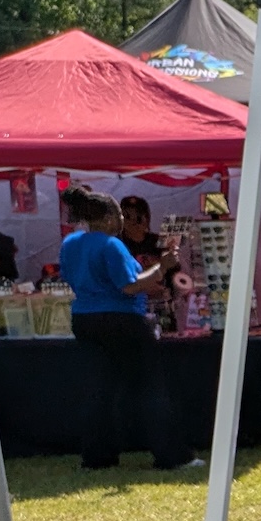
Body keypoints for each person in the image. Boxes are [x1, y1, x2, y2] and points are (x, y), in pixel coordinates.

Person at [59, 188, 187, 470]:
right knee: (150, 386)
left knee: (98, 389)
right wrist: (162, 267)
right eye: (118, 214)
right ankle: (170, 454)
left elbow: (70, 277)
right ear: (106, 218)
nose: (121, 220)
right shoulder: (111, 245)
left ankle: (97, 457)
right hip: (121, 320)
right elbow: (129, 285)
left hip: (84, 319)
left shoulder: (70, 243)